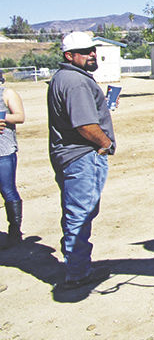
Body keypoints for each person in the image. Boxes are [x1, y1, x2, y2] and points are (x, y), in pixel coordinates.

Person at [47, 31, 115, 290]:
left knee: (77, 213)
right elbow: (85, 125)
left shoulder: (65, 78)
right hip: (81, 157)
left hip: (71, 157)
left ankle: (76, 265)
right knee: (80, 213)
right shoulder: (75, 82)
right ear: (69, 56)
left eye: (93, 50)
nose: (92, 55)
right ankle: (77, 272)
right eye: (86, 52)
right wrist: (105, 143)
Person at [0, 72, 26, 249]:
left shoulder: (7, 93)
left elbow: (20, 117)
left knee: (7, 189)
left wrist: (2, 117)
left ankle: (15, 232)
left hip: (4, 150)